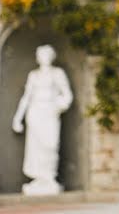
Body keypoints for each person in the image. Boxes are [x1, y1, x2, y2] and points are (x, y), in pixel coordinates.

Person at [12, 44, 73, 196]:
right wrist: (17, 118)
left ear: (51, 57)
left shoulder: (57, 73)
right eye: (41, 55)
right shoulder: (34, 75)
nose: (44, 58)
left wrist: (59, 106)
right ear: (38, 58)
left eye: (46, 55)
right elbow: (26, 97)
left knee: (51, 144)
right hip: (35, 113)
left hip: (50, 112)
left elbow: (67, 95)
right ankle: (39, 178)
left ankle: (49, 176)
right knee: (35, 147)